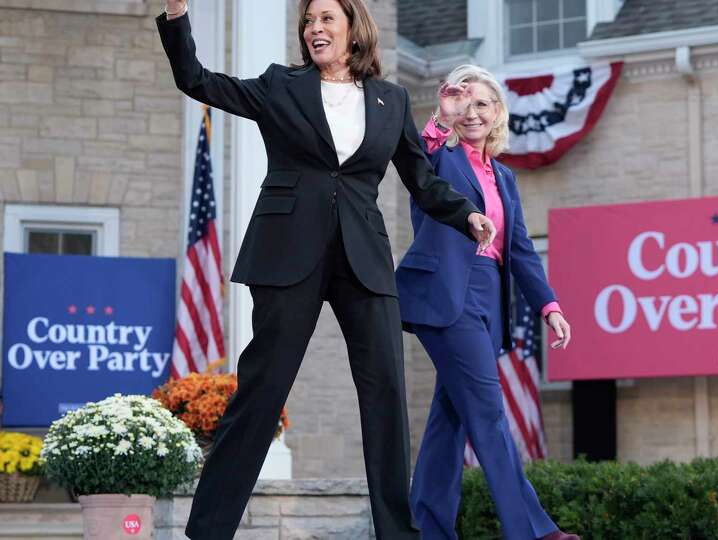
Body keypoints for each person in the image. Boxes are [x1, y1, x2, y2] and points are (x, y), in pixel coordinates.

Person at [156, 1, 497, 539]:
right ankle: (208, 531)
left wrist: (466, 213)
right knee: (262, 392)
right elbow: (195, 79)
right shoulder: (279, 86)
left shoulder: (391, 99)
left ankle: (397, 533)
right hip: (287, 251)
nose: (315, 28)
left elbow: (421, 179)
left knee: (386, 389)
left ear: (353, 30)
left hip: (364, 256)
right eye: (309, 22)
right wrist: (177, 15)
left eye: (326, 19)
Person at [396, 64, 578, 540]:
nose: (472, 113)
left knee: (450, 418)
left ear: (497, 112)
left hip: (485, 299)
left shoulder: (504, 177)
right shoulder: (440, 157)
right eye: (464, 103)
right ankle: (532, 530)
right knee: (488, 410)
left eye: (482, 103)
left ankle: (427, 529)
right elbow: (417, 154)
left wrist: (550, 306)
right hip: (445, 297)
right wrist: (440, 117)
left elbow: (519, 250)